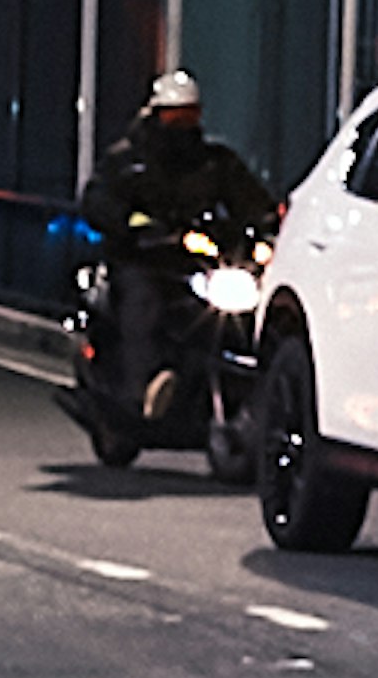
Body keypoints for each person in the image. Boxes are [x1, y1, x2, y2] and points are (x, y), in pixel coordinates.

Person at [77, 63, 275, 423]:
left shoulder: (214, 162)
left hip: (196, 264)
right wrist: (136, 227)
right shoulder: (129, 162)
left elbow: (251, 201)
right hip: (142, 259)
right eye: (174, 116)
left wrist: (267, 231)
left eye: (189, 115)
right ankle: (138, 396)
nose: (182, 124)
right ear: (157, 115)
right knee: (143, 306)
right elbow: (99, 201)